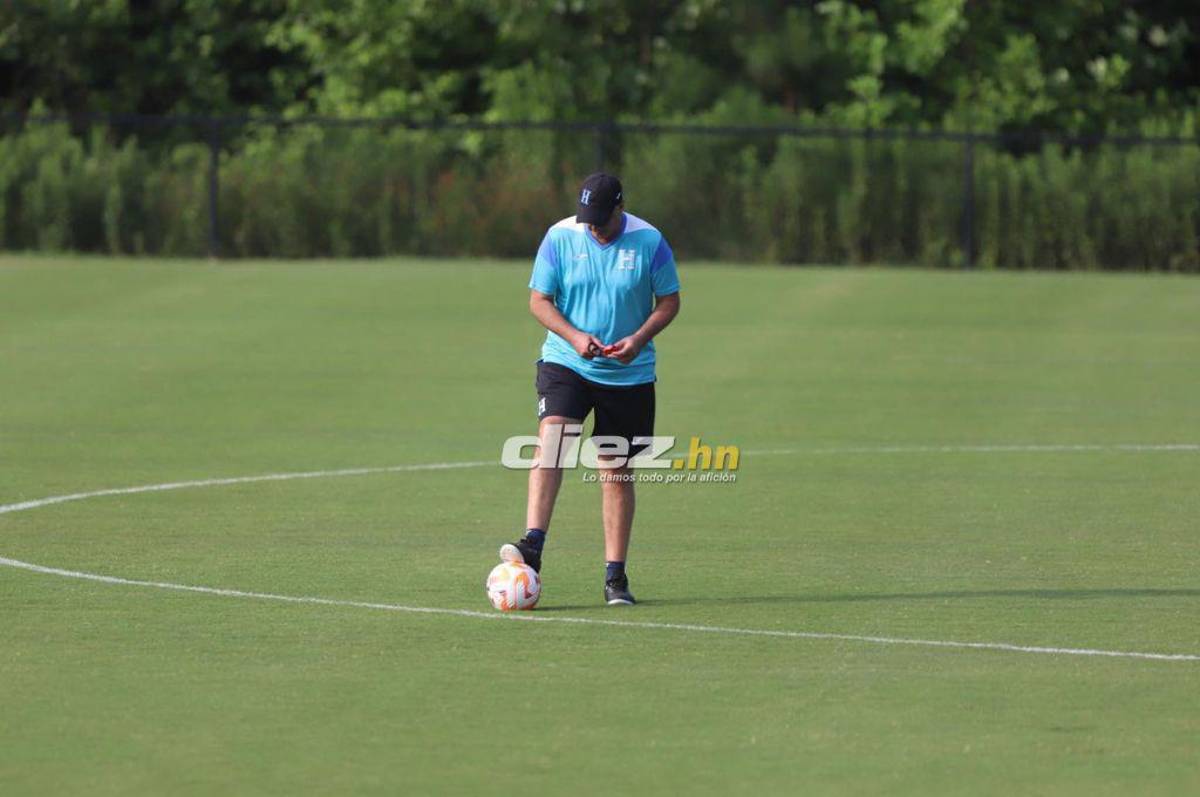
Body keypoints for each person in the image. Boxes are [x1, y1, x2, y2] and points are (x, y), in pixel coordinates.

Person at [499, 173, 681, 605]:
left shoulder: (649, 241)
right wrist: (575, 337)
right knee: (554, 437)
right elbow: (539, 300)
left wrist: (637, 339)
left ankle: (615, 577)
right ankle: (533, 545)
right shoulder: (561, 237)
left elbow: (669, 300)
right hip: (567, 359)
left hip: (629, 373)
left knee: (614, 469)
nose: (593, 226)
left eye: (601, 219)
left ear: (620, 208)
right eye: (588, 219)